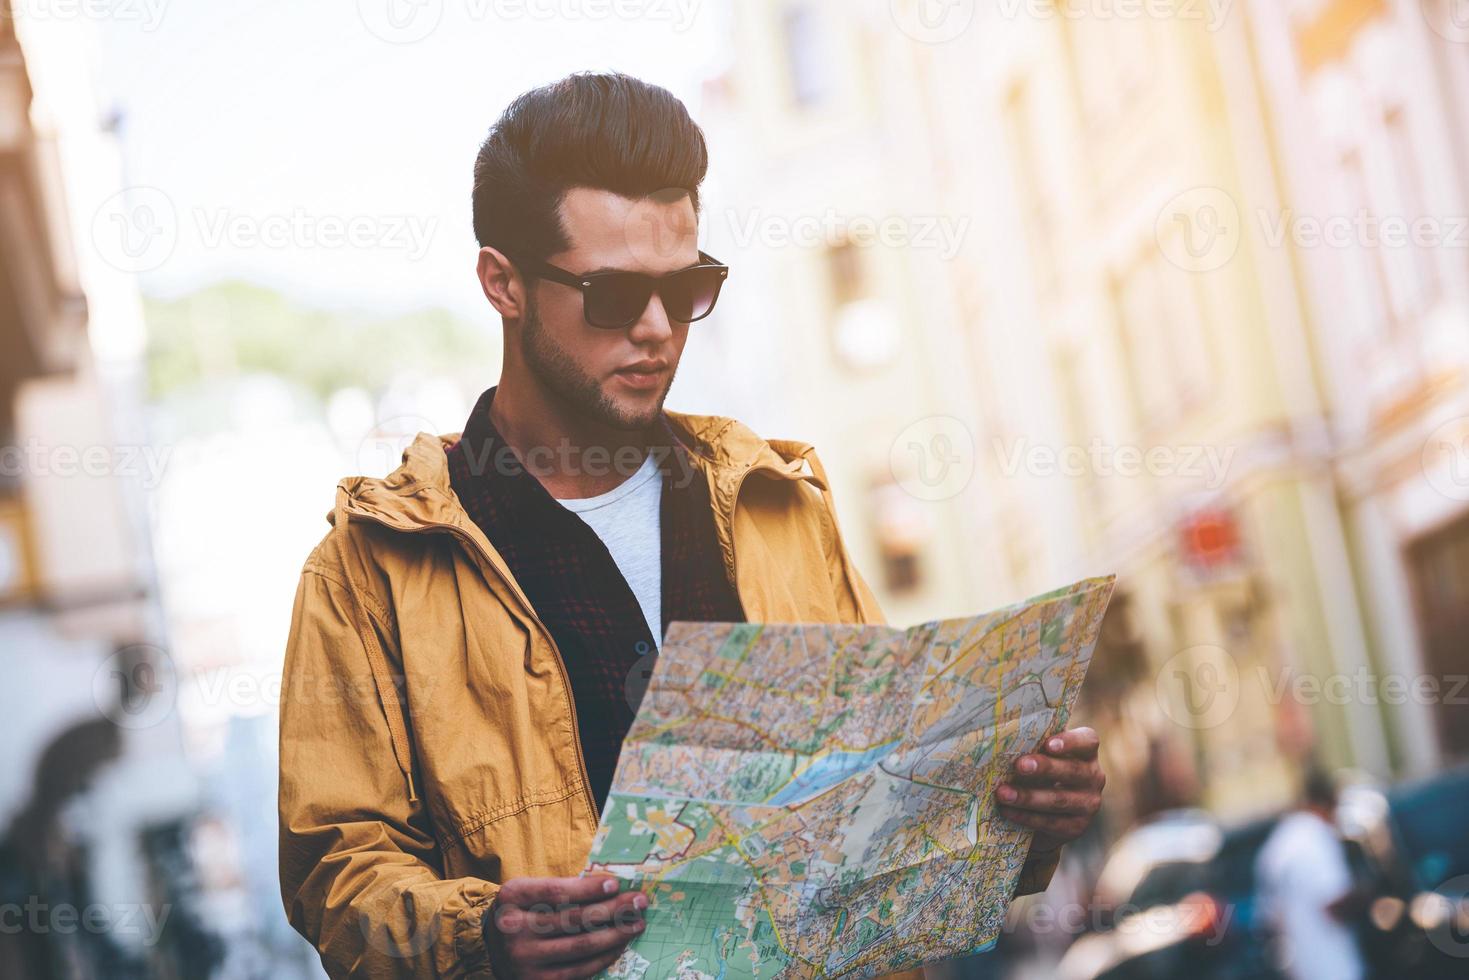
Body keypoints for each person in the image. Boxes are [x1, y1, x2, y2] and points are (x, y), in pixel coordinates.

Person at [277, 72, 1108, 980]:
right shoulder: (369, 571)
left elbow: (885, 816)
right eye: (610, 295)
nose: (656, 329)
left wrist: (1021, 815)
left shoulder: (779, 506)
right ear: (501, 283)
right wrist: (480, 935)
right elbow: (337, 881)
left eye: (686, 289)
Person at [1254, 767, 1367, 980]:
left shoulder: (1277, 844)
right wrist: (1366, 896)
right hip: (1332, 968)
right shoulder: (1316, 837)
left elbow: (1267, 918)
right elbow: (1333, 904)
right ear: (1328, 803)